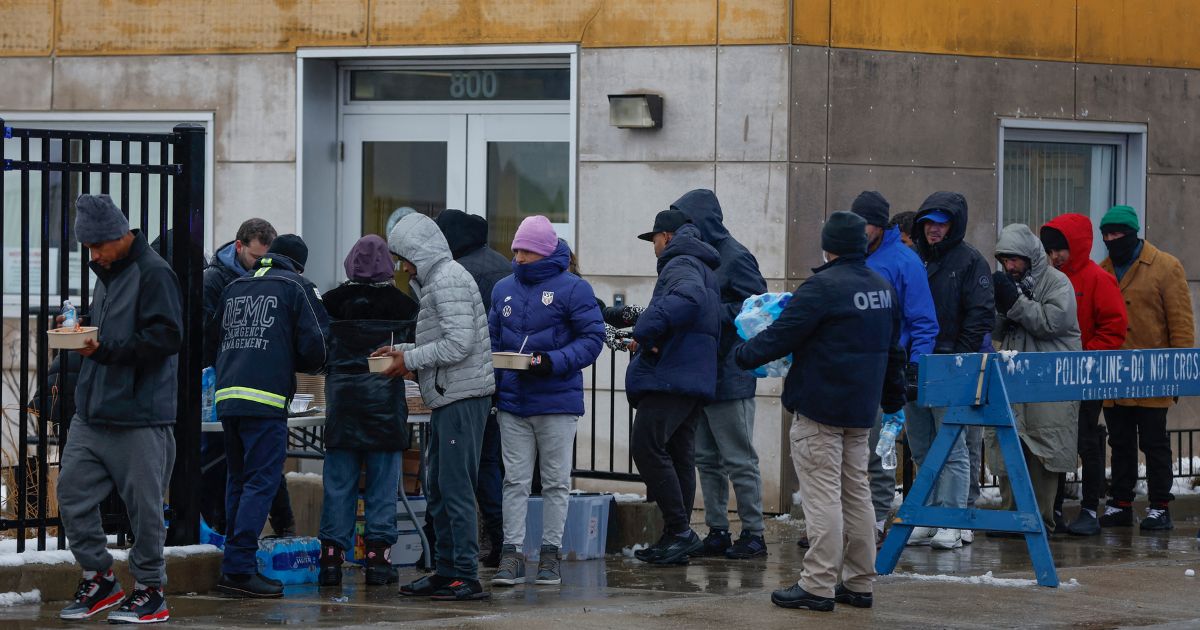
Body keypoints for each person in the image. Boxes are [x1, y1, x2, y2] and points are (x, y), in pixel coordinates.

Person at [736, 211, 906, 613]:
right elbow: (895, 351)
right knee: (857, 494)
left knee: (823, 498)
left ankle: (817, 584)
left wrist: (742, 354)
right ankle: (860, 582)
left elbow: (781, 336)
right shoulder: (882, 288)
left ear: (828, 246)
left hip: (820, 409)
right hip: (861, 410)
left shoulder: (822, 287)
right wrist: (895, 400)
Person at [57, 194, 181, 623]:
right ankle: (100, 578)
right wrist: (78, 334)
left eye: (97, 247)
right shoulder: (106, 273)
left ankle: (150, 590)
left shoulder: (155, 274)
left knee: (145, 511)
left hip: (140, 416)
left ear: (119, 235)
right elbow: (107, 333)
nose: (94, 255)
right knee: (71, 492)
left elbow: (168, 338)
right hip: (93, 413)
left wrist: (104, 350)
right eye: (89, 248)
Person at [376, 211, 496, 601]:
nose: (401, 265)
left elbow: (459, 344)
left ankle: (464, 573)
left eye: (404, 256)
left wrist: (407, 361)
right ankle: (447, 570)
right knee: (441, 487)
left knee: (455, 488)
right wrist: (402, 351)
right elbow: (448, 340)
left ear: (419, 251)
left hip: (461, 396)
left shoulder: (446, 280)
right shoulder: (440, 280)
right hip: (451, 394)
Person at [488, 216, 604, 587]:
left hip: (556, 401)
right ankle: (512, 555)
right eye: (517, 249)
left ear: (543, 251)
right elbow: (491, 340)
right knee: (514, 481)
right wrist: (496, 374)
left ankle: (550, 556)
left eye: (526, 250)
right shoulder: (502, 288)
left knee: (555, 481)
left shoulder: (574, 289)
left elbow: (592, 340)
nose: (519, 257)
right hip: (513, 399)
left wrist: (550, 361)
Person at [212, 234, 330, 598]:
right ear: (298, 264)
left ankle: (235, 562)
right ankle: (239, 568)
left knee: (238, 480)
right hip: (265, 399)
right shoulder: (298, 287)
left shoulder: (235, 286)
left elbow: (211, 336)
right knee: (262, 482)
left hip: (227, 395)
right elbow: (318, 348)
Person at [671, 189, 770, 559]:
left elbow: (756, 309)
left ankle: (754, 533)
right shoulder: (697, 257)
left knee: (739, 458)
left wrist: (708, 312)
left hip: (730, 371)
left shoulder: (736, 256)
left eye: (687, 221)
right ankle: (717, 530)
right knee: (707, 459)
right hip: (701, 373)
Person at [317, 235, 419, 588]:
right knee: (381, 486)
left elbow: (317, 352)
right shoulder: (404, 306)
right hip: (384, 407)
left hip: (343, 404)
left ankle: (331, 560)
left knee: (339, 484)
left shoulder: (330, 302)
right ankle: (378, 560)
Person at [626, 209, 720, 566]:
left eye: (653, 239)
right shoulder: (702, 264)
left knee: (647, 446)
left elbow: (689, 300)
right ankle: (675, 536)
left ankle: (680, 531)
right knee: (680, 453)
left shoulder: (679, 263)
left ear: (666, 236)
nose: (652, 246)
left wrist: (646, 330)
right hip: (692, 376)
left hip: (672, 376)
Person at [905, 192, 994, 550]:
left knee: (954, 446)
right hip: (915, 364)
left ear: (954, 225)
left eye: (941, 223)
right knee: (922, 445)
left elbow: (980, 314)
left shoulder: (970, 261)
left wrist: (959, 359)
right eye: (929, 222)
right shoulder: (913, 260)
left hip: (950, 364)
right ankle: (930, 516)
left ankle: (954, 519)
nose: (934, 230)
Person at [1097, 206, 1195, 530]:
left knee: (1154, 443)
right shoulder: (1103, 269)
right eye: (1106, 235)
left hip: (1154, 371)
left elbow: (1180, 323)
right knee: (1119, 441)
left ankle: (1160, 505)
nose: (1112, 240)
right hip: (1114, 374)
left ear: (1133, 232)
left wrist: (1178, 372)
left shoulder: (1166, 267)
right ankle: (1121, 501)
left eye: (1118, 234)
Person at [849, 192, 939, 544]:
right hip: (848, 366)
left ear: (881, 224)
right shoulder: (853, 256)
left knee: (878, 449)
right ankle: (847, 520)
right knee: (849, 450)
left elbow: (924, 322)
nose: (861, 230)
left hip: (885, 369)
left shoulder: (905, 261)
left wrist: (914, 368)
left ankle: (875, 520)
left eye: (866, 224)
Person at [199, 218, 296, 540]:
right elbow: (209, 336)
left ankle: (276, 529)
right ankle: (227, 535)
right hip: (223, 385)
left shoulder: (263, 281)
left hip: (249, 389)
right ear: (238, 247)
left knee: (255, 470)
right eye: (255, 258)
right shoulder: (216, 280)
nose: (261, 265)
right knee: (236, 469)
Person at [989, 224, 1082, 532]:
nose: (1009, 266)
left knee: (1044, 451)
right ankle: (1010, 516)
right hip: (1016, 377)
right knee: (1010, 445)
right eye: (1005, 260)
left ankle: (1040, 520)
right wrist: (996, 308)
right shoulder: (1011, 284)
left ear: (1030, 257)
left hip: (1049, 381)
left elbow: (1050, 322)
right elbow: (997, 331)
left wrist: (1014, 304)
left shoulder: (1057, 283)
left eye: (1015, 259)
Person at [1041, 214, 1128, 535]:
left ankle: (1090, 508)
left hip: (1087, 376)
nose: (1055, 256)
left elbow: (1114, 328)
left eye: (1060, 249)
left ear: (1075, 246)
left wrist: (1084, 356)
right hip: (1057, 376)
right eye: (1050, 250)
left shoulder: (1098, 279)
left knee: (1086, 442)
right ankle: (1055, 509)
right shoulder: (1049, 278)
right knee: (1057, 443)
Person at [435, 209, 510, 567]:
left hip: (468, 382)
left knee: (467, 470)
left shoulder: (458, 272)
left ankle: (457, 554)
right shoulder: (502, 265)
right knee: (496, 464)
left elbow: (457, 337)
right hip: (506, 377)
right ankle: (501, 540)